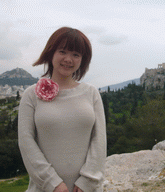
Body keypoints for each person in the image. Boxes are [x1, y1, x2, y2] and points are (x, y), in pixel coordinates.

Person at [18, 27, 106, 192]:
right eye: (62, 51)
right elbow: (26, 142)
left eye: (76, 54)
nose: (68, 59)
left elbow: (99, 140)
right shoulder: (31, 95)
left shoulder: (91, 93)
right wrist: (52, 183)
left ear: (82, 60)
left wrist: (88, 181)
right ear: (51, 52)